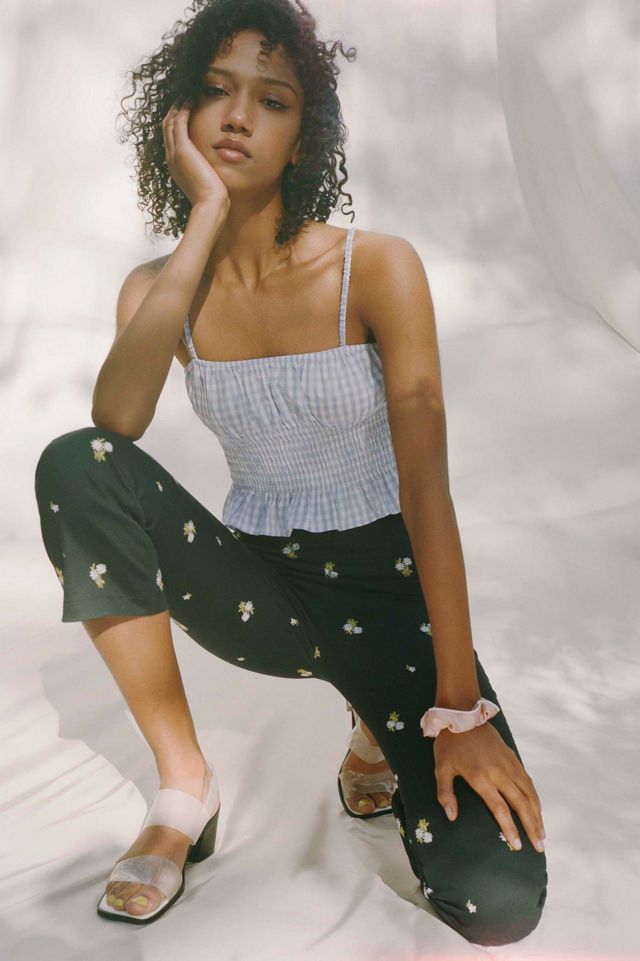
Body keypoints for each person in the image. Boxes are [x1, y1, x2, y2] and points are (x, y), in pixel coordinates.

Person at [33, 0, 548, 946]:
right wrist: (205, 219)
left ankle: (376, 724)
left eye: (271, 100)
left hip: (389, 588)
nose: (238, 117)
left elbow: (427, 490)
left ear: (304, 136)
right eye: (215, 91)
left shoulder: (378, 268)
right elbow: (117, 422)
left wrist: (459, 708)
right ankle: (185, 787)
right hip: (260, 586)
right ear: (178, 116)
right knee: (78, 464)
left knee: (497, 901)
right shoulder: (158, 289)